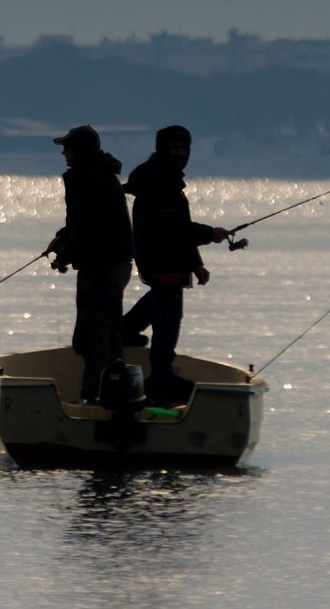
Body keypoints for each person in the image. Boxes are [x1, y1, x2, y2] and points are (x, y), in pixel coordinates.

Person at [121, 125, 230, 402]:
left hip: (164, 261)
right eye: (174, 148)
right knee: (167, 324)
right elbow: (176, 230)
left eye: (183, 148)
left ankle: (122, 333)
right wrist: (211, 234)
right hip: (162, 261)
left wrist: (195, 263)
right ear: (162, 150)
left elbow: (177, 227)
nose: (180, 153)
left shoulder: (165, 179)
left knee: (157, 302)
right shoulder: (162, 183)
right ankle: (160, 378)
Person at [47, 124, 135, 408]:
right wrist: (61, 240)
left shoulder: (92, 180)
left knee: (94, 329)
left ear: (81, 151)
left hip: (102, 265)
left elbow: (89, 230)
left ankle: (95, 396)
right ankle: (111, 390)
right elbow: (80, 223)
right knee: (106, 326)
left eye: (68, 148)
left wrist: (65, 255)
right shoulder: (94, 176)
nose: (63, 153)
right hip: (109, 263)